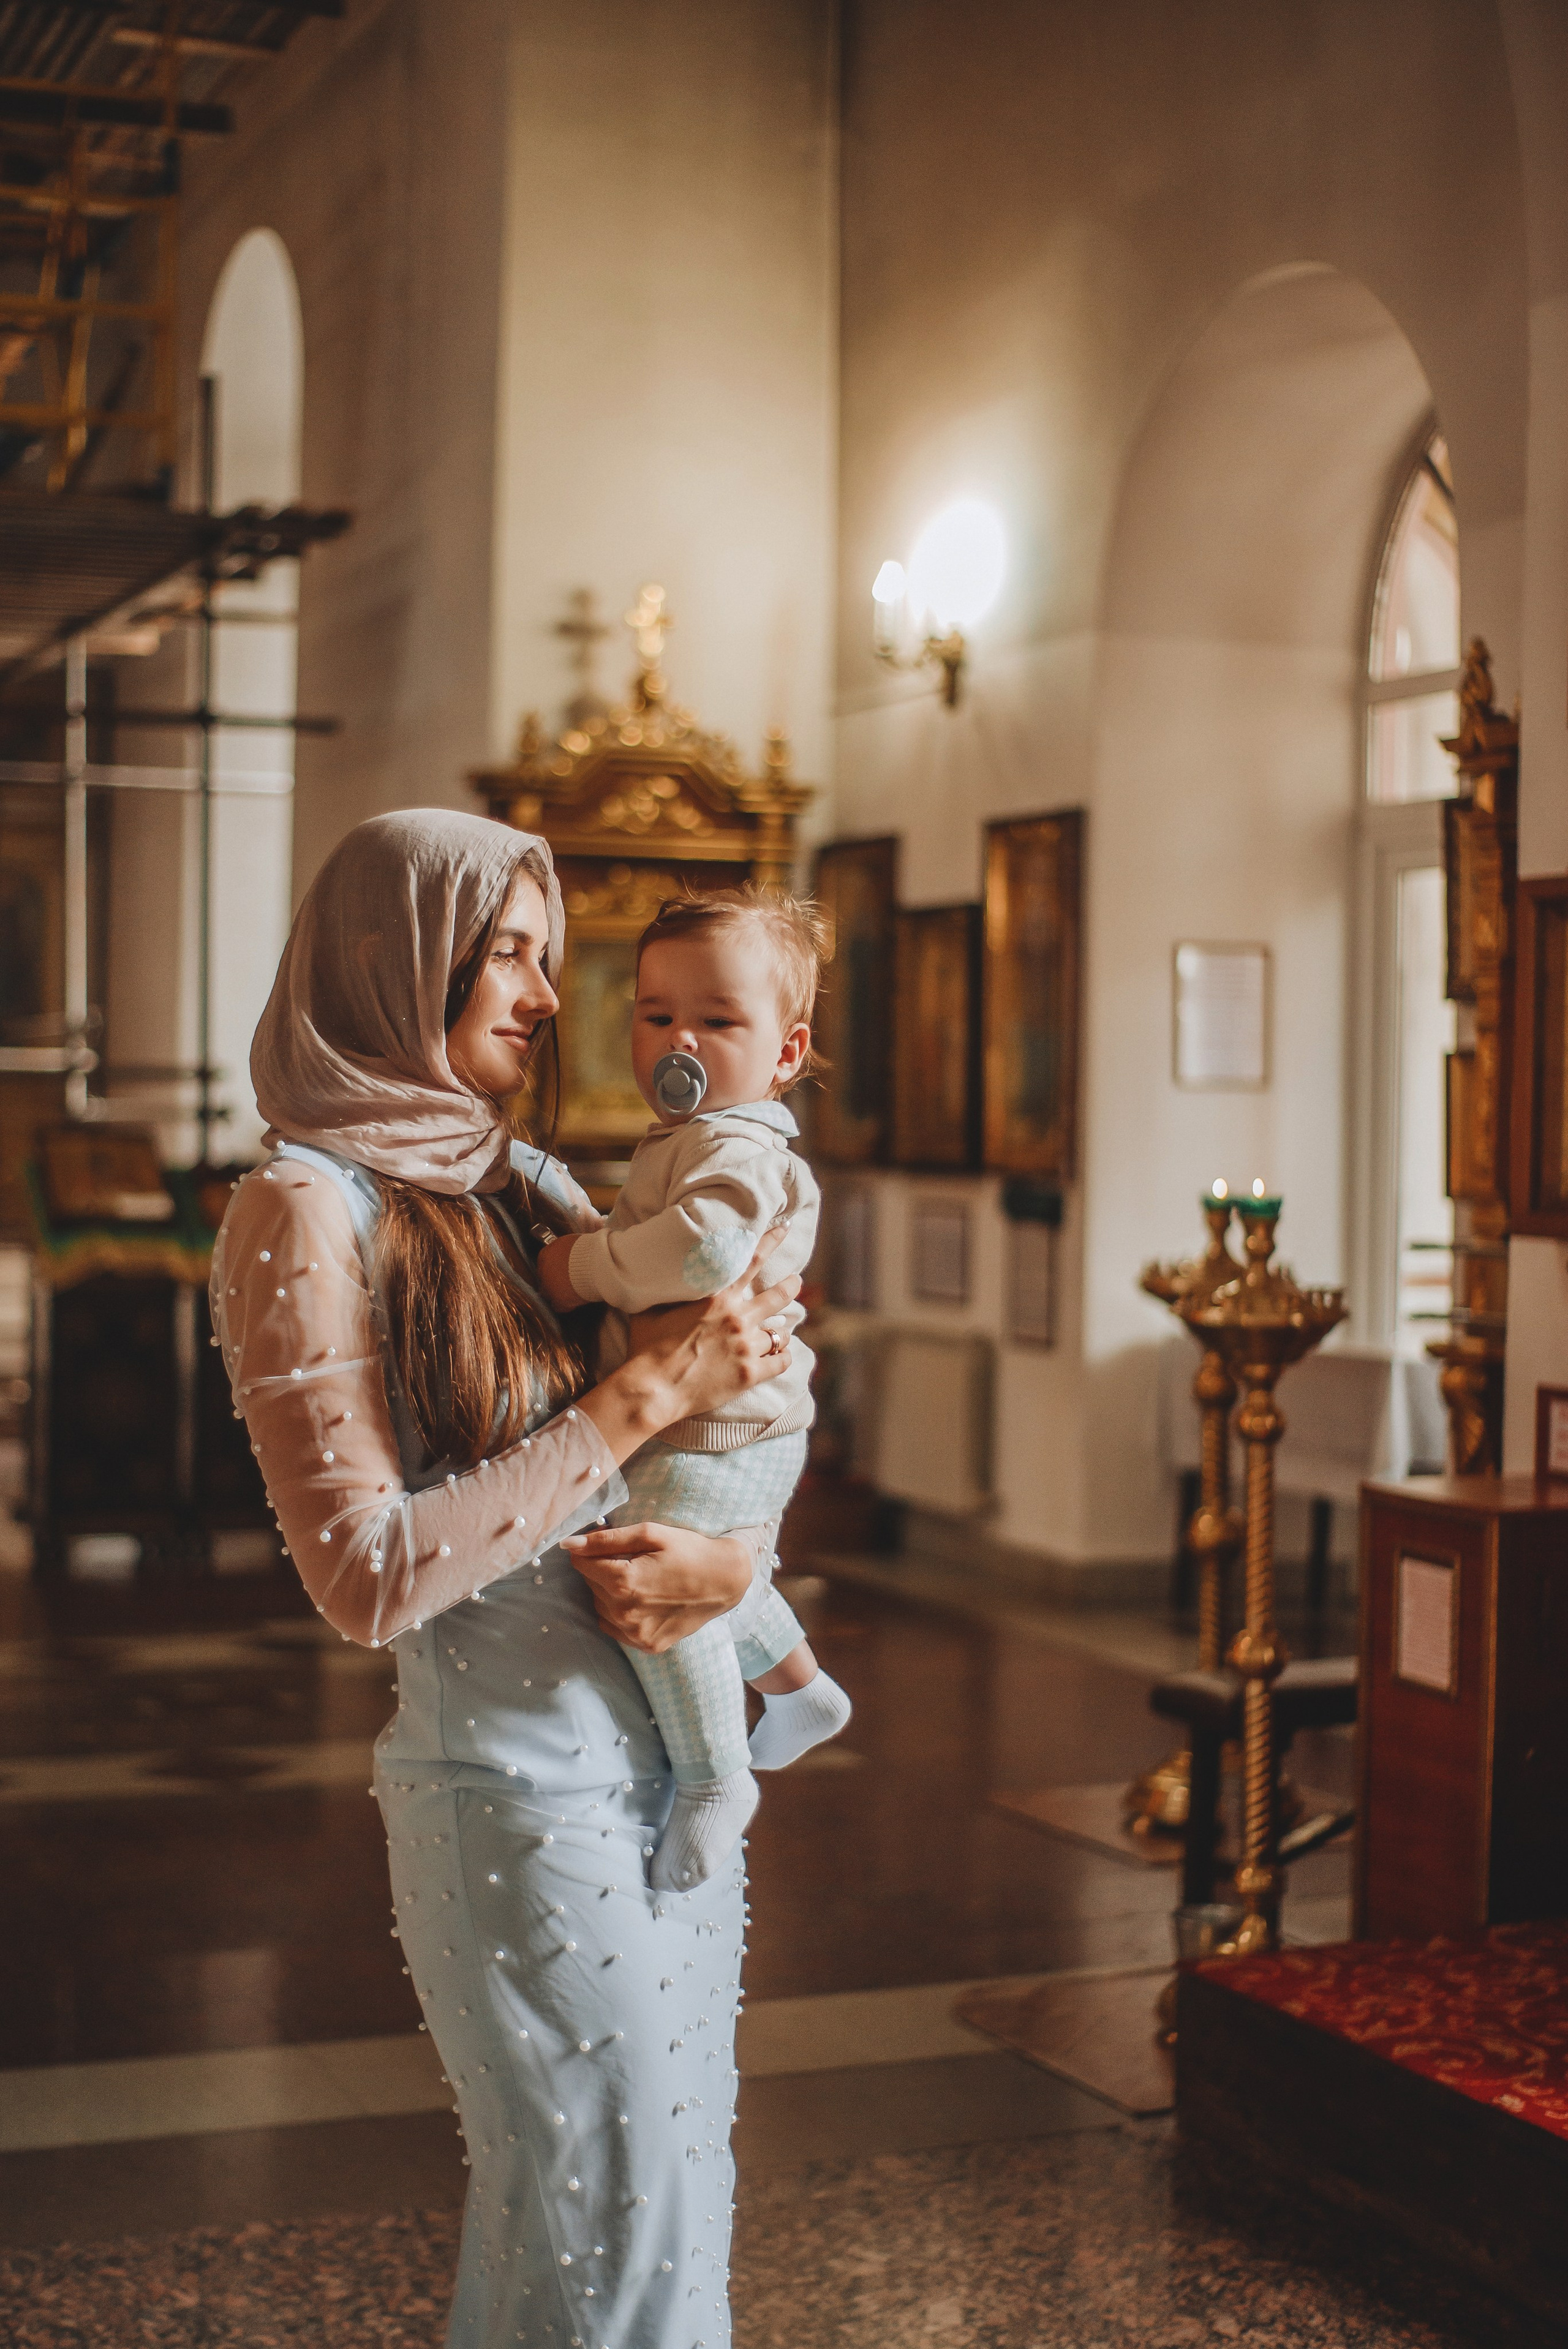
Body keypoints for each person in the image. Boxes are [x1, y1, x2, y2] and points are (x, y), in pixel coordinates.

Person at [211, 808, 801, 2349]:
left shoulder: (519, 1179)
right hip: (517, 1791)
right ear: (394, 961)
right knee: (603, 2204)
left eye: (551, 960)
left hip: (668, 1777)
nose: (548, 995)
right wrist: (635, 1402)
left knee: (658, 2211)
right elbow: (363, 1575)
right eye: (512, 955)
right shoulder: (302, 1208)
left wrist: (729, 1558)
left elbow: (720, 1434)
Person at [535, 887, 851, 1895]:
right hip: (720, 1419)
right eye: (657, 1013)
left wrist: (580, 1266)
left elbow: (704, 1247)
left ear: (786, 1053)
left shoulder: (737, 1145)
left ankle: (718, 1776)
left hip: (722, 1428)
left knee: (659, 1583)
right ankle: (801, 1690)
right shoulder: (696, 1136)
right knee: (704, 1568)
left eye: (719, 1021)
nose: (683, 1040)